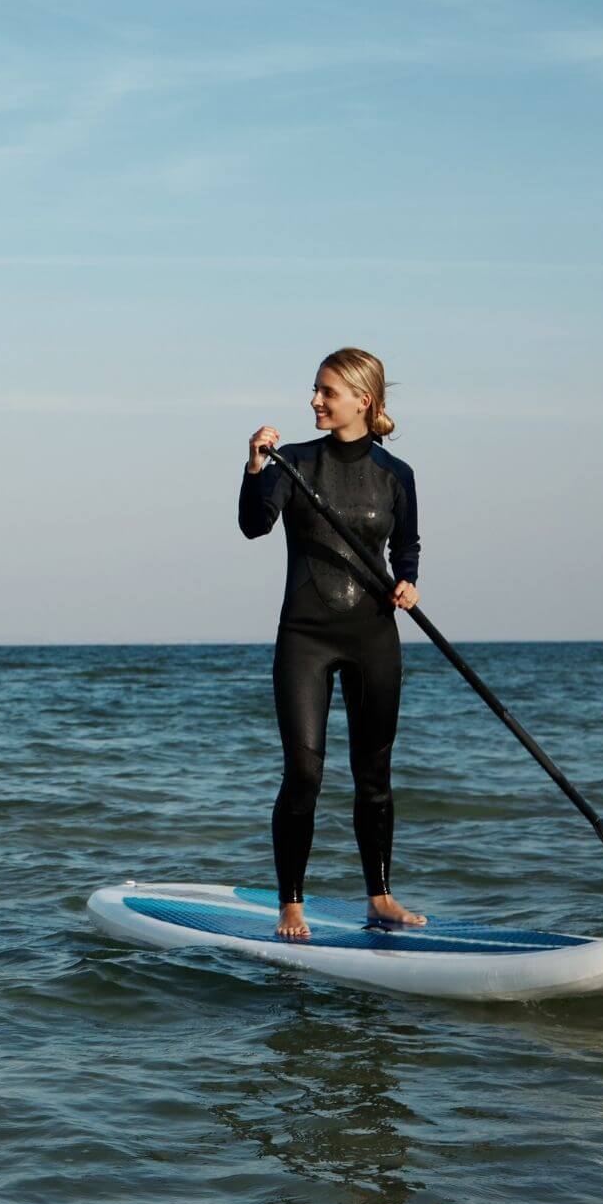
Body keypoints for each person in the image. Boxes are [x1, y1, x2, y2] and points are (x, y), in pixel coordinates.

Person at [239, 347, 427, 940]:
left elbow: (408, 546)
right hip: (306, 637)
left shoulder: (397, 475)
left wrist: (408, 582)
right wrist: (254, 467)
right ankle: (290, 903)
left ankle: (380, 898)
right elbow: (253, 524)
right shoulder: (292, 463)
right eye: (315, 390)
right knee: (304, 773)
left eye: (326, 391)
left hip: (373, 635)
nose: (314, 400)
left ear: (361, 401)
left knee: (374, 775)